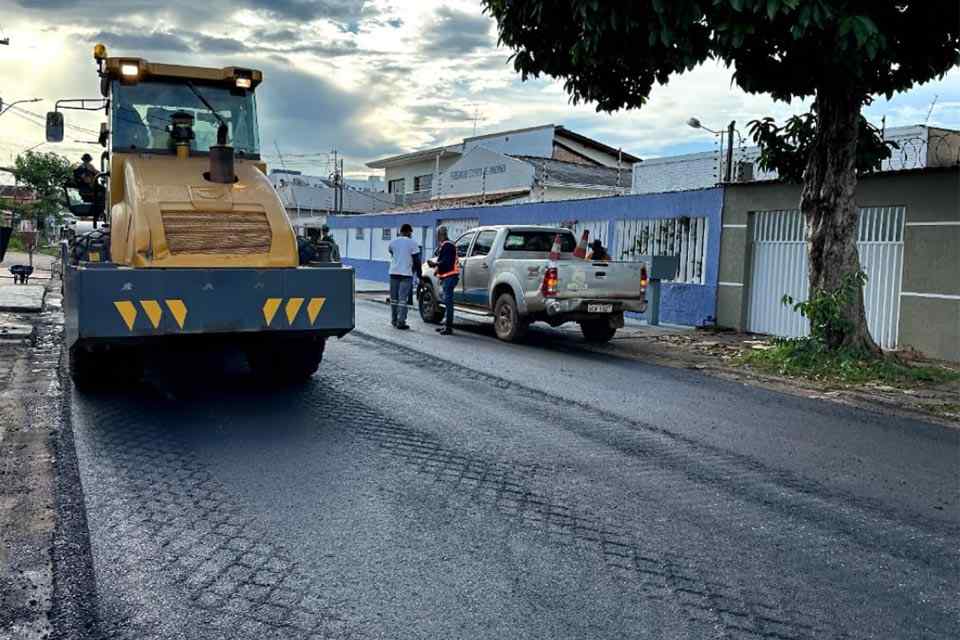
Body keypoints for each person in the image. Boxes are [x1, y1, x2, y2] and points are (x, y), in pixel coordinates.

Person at [388, 223, 421, 330]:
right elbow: (417, 260)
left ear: (400, 231)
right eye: (411, 232)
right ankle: (401, 322)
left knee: (394, 299)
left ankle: (394, 320)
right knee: (402, 299)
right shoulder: (413, 243)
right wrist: (419, 274)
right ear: (409, 232)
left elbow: (391, 252)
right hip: (406, 274)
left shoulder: (393, 242)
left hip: (393, 273)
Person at [428, 226, 459, 335]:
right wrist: (437, 269)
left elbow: (446, 262)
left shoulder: (448, 245)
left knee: (448, 303)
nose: (436, 237)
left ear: (441, 235)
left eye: (437, 235)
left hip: (450, 276)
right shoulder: (446, 245)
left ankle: (448, 327)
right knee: (446, 302)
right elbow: (445, 261)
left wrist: (434, 264)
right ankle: (446, 325)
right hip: (448, 277)